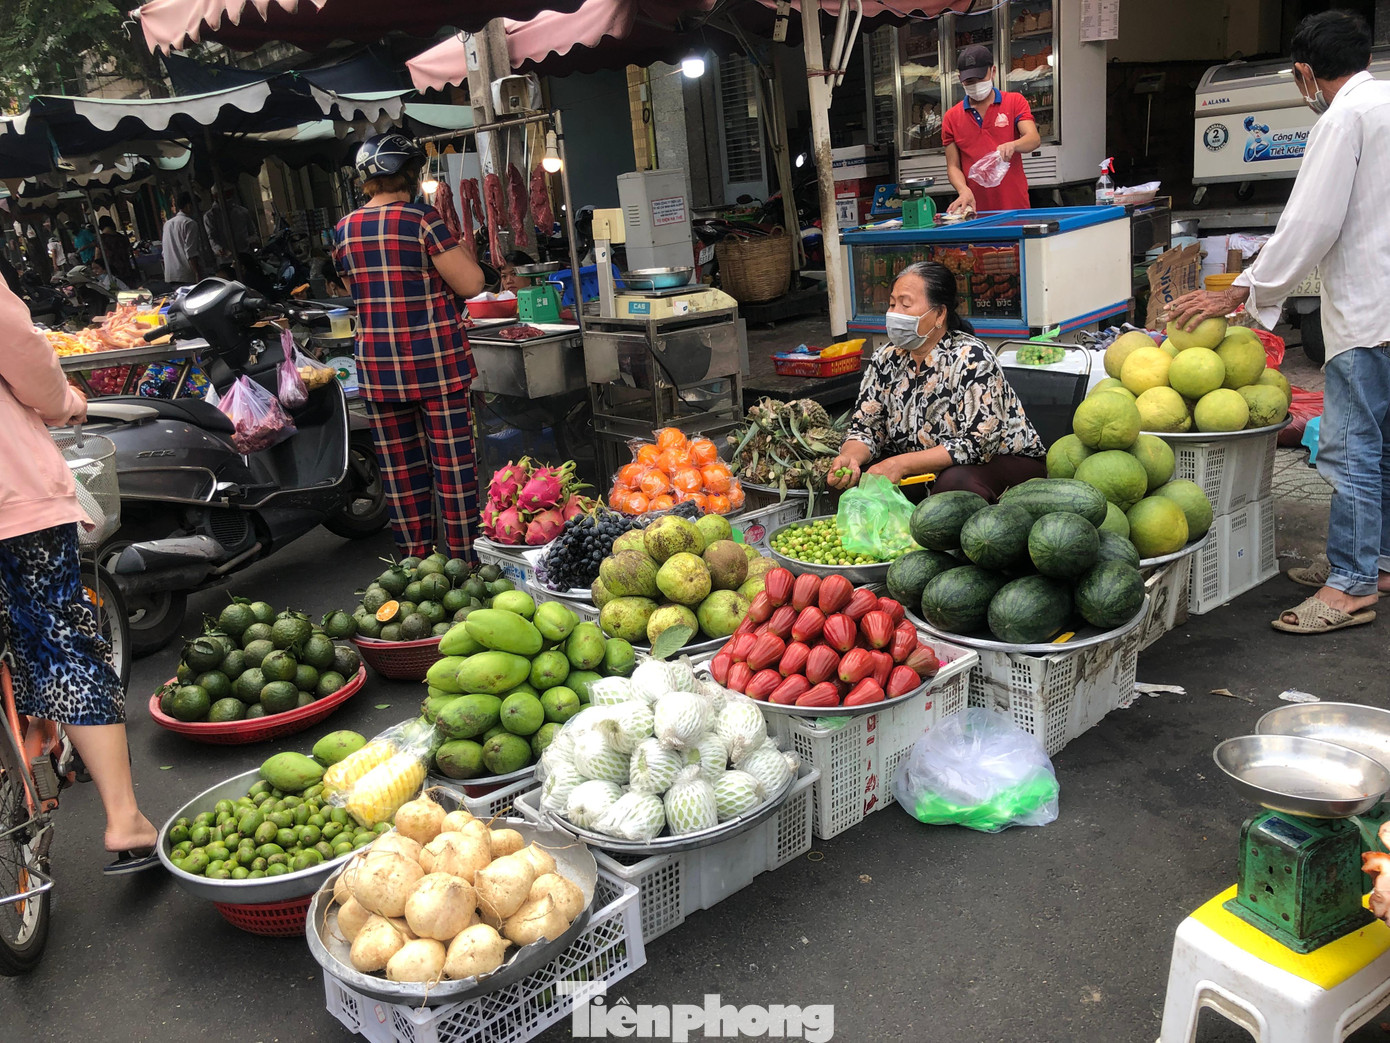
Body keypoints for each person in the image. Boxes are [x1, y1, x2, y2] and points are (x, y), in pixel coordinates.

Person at [1169, 10, 1390, 637]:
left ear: (1304, 73)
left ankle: (1348, 587)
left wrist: (1243, 290)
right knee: (1387, 445)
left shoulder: (1343, 116)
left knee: (1353, 451)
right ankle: (1377, 565)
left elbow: (1311, 223)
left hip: (1371, 313)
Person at [0, 280, 159, 874]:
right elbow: (20, 351)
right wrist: (66, 402)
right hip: (13, 496)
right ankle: (123, 820)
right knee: (61, 638)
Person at [333, 132, 486, 561]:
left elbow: (355, 289)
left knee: (402, 476)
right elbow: (471, 283)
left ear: (367, 181)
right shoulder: (422, 219)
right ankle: (462, 564)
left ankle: (416, 565)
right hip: (437, 366)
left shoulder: (345, 229)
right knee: (454, 472)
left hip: (380, 370)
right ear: (411, 175)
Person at [827, 260, 1045, 501]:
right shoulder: (885, 358)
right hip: (922, 469)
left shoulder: (973, 359)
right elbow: (867, 427)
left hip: (998, 463)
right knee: (850, 484)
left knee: (954, 486)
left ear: (940, 313)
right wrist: (851, 457)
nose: (894, 313)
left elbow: (979, 444)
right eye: (891, 304)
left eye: (905, 304)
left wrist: (902, 464)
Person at [942, 44, 1041, 215]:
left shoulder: (1014, 102)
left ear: (993, 71)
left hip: (1015, 207)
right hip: (974, 209)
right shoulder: (951, 117)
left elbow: (1033, 138)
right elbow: (953, 166)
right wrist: (962, 189)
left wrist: (1013, 145)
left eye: (980, 79)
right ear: (960, 79)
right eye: (969, 81)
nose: (975, 85)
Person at [203, 186, 256, 264]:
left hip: (245, 256)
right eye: (226, 194)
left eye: (230, 193)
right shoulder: (210, 216)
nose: (229, 196)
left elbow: (252, 232)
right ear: (215, 196)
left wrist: (252, 241)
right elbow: (212, 238)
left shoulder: (243, 212)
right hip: (226, 261)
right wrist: (220, 250)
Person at [162, 193, 205, 286]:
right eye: (196, 206)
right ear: (189, 206)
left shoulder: (168, 224)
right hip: (186, 275)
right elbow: (191, 252)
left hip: (171, 274)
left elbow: (164, 251)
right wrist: (197, 274)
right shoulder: (190, 223)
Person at [97, 216, 139, 286]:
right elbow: (128, 251)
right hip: (126, 270)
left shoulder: (101, 239)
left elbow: (97, 256)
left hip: (111, 272)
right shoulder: (122, 237)